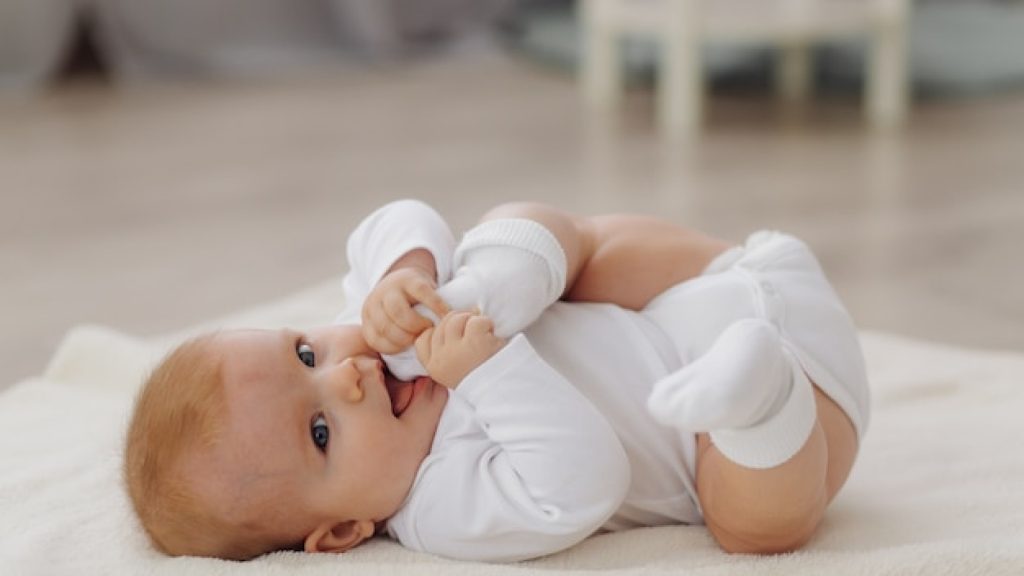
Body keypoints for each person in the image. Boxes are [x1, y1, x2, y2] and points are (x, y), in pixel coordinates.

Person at [123, 199, 868, 562]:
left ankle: (513, 275)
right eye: (320, 433)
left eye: (303, 355)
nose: (348, 375)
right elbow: (584, 483)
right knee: (752, 526)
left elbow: (399, 217)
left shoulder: (381, 323)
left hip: (707, 285)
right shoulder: (441, 506)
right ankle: (757, 394)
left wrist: (408, 272)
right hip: (793, 418)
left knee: (563, 243)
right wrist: (487, 371)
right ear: (346, 530)